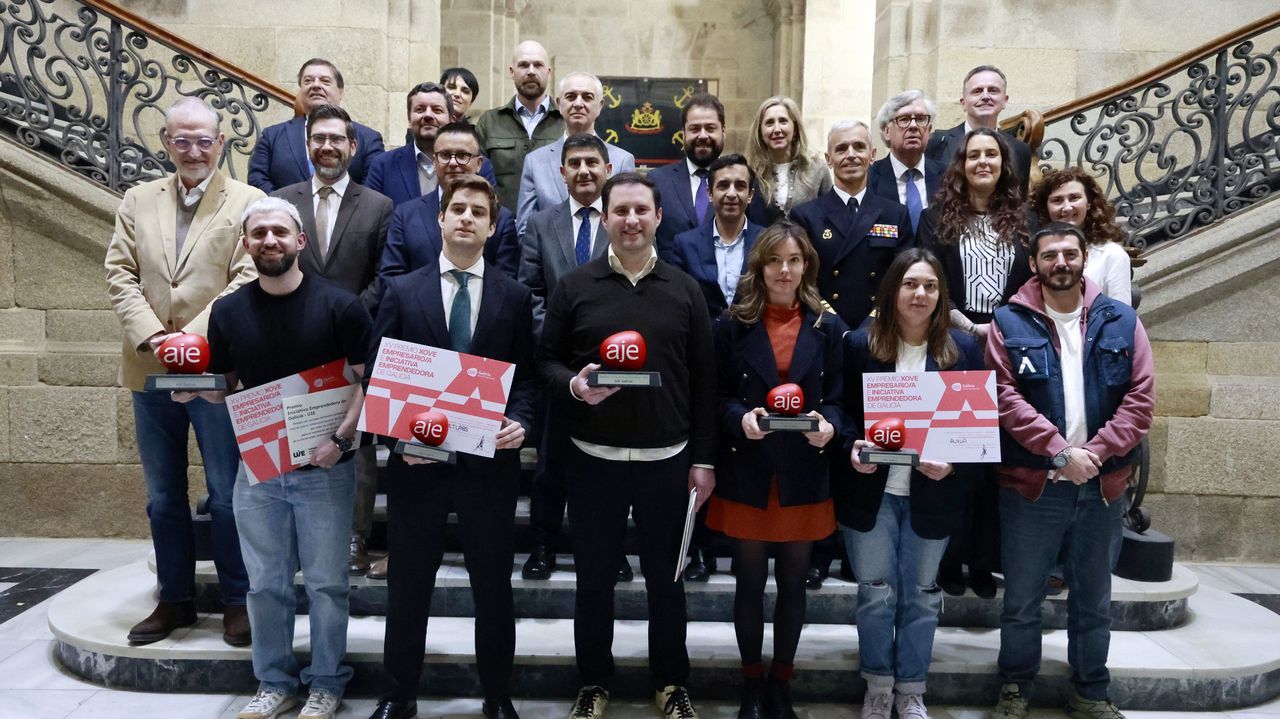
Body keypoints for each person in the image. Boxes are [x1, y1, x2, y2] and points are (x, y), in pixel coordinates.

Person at [537, 172, 716, 719]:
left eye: (642, 210)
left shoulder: (686, 289)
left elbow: (707, 381)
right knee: (593, 582)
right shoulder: (575, 285)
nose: (632, 220)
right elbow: (544, 362)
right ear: (606, 217)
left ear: (659, 216)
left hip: (669, 462)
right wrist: (574, 385)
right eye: (621, 211)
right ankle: (593, 681)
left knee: (668, 583)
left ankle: (670, 682)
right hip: (594, 462)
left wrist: (704, 460)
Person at [367, 175, 536, 719]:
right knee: (408, 584)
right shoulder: (402, 290)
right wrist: (399, 435)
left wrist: (522, 423)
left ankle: (497, 694)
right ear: (440, 220)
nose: (466, 218)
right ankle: (399, 695)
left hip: (490, 465)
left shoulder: (514, 296)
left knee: (493, 587)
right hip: (419, 464)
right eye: (457, 209)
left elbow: (528, 380)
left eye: (477, 212)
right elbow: (379, 373)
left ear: (492, 226)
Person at [200, 197, 372, 719]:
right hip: (259, 470)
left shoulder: (341, 306)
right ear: (246, 244)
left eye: (279, 231)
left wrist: (340, 443)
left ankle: (325, 683)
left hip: (326, 468)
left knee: (326, 585)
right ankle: (273, 681)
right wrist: (192, 390)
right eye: (259, 234)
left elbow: (365, 385)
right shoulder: (227, 312)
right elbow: (226, 388)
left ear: (300, 241)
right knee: (265, 585)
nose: (269, 240)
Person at [104, 97, 261, 647]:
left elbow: (245, 279)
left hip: (214, 374)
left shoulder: (249, 201)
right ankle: (174, 600)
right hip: (148, 369)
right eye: (181, 140)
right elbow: (118, 272)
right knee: (163, 496)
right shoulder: (136, 199)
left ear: (222, 143)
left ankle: (239, 601)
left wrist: (191, 339)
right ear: (166, 143)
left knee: (225, 492)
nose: (193, 150)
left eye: (204, 140)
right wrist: (156, 338)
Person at [988, 222, 1154, 719]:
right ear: (1034, 263)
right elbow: (1003, 396)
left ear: (1085, 257)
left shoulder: (1121, 320)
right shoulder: (1008, 321)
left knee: (1093, 600)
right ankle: (1015, 688)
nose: (1060, 262)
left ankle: (1091, 692)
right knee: (1021, 599)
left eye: (1068, 253)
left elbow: (1140, 401)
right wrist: (1061, 451)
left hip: (1102, 487)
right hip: (1033, 488)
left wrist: (1094, 455)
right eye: (1049, 255)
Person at [838, 249, 984, 719]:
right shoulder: (860, 345)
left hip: (932, 494)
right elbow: (840, 412)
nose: (920, 294)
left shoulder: (963, 352)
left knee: (922, 595)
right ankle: (879, 686)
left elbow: (980, 432)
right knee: (876, 593)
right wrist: (851, 446)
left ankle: (912, 690)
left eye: (930, 286)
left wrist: (955, 464)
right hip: (872, 493)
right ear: (893, 290)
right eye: (910, 284)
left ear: (942, 295)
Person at [708, 221, 845, 719]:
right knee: (747, 583)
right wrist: (737, 419)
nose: (784, 270)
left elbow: (839, 400)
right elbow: (716, 396)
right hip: (749, 470)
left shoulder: (828, 326)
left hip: (802, 472)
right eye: (774, 261)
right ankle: (750, 682)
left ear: (806, 265)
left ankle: (781, 681)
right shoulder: (731, 324)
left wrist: (829, 426)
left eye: (793, 260)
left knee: (793, 584)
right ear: (759, 266)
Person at [270, 104, 394, 578]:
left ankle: (353, 537)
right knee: (293, 436)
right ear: (307, 145)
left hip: (352, 340)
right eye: (318, 138)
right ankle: (295, 539)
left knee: (355, 441)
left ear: (352, 146)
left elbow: (385, 275)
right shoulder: (283, 201)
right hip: (291, 340)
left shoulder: (378, 205)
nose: (327, 146)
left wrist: (346, 315)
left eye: (336, 139)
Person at [791, 119, 913, 587]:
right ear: (828, 158)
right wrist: (842, 327)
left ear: (872, 155)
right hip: (825, 338)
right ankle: (822, 549)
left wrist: (869, 328)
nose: (850, 155)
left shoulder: (894, 214)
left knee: (869, 439)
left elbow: (899, 275)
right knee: (831, 442)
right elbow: (805, 280)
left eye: (859, 147)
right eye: (840, 148)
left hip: (878, 343)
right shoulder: (808, 214)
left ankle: (854, 546)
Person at [917, 127, 1031, 598]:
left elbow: (1033, 280)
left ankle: (983, 563)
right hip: (954, 344)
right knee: (955, 456)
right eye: (973, 155)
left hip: (1009, 346)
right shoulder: (935, 217)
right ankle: (948, 563)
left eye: (992, 154)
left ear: (1004, 164)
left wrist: (1002, 325)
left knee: (993, 461)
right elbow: (925, 275)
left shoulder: (1027, 219)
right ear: (960, 164)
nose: (982, 161)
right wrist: (966, 325)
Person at [517, 134, 631, 584]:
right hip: (557, 366)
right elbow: (531, 289)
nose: (584, 171)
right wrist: (561, 342)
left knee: (611, 467)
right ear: (561, 173)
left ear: (607, 170)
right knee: (550, 466)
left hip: (616, 368)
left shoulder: (622, 222)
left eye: (592, 163)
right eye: (574, 163)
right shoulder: (542, 224)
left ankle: (612, 549)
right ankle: (542, 545)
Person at [380, 122, 520, 282]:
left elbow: (506, 285)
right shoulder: (406, 215)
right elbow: (391, 280)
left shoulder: (502, 219)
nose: (453, 163)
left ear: (479, 164)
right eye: (445, 155)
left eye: (462, 155)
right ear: (434, 161)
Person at [648, 93, 767, 262]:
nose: (702, 135)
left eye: (710, 128)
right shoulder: (658, 181)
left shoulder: (745, 182)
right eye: (695, 129)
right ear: (683, 133)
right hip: (673, 285)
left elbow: (757, 238)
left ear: (723, 131)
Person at [515, 71, 636, 236]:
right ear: (559, 104)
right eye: (571, 97)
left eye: (587, 97)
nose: (578, 104)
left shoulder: (622, 160)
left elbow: (628, 224)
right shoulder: (535, 162)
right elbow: (525, 230)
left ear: (600, 106)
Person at [248, 58, 384, 192]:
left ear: (341, 91)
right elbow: (257, 180)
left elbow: (374, 187)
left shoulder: (368, 139)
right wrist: (284, 210)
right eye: (308, 81)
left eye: (325, 81)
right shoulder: (272, 136)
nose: (316, 85)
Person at [364, 82, 498, 208]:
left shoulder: (479, 166)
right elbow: (373, 216)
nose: (428, 115)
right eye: (420, 109)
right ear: (409, 119)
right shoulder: (383, 165)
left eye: (437, 110)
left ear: (452, 120)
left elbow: (489, 214)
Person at [671, 154, 765, 321]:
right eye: (723, 185)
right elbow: (678, 304)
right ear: (710, 193)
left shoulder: (767, 241)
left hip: (753, 340)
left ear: (750, 195)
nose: (731, 193)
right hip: (703, 341)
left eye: (740, 186)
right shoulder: (685, 244)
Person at [475, 40, 565, 211]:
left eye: (538, 65)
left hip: (554, 228)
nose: (531, 71)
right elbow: (476, 179)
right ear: (512, 71)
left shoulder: (566, 122)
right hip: (501, 227)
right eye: (524, 65)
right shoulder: (490, 122)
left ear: (548, 71)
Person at [924, 65, 1032, 198]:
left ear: (1005, 101)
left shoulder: (1020, 150)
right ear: (963, 103)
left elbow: (1019, 202)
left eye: (993, 90)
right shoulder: (936, 142)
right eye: (977, 91)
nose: (985, 96)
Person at [1033, 167, 1132, 306]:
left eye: (1074, 198)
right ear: (1046, 207)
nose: (1067, 207)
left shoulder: (1111, 254)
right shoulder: (1037, 252)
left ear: (1089, 203)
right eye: (1057, 200)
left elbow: (1121, 316)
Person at [867, 90, 945, 232]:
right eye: (904, 119)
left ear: (929, 130)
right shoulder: (869, 179)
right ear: (886, 131)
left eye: (921, 119)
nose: (914, 126)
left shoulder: (948, 177)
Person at [744, 96, 831, 223]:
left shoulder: (817, 168)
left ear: (795, 129)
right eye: (769, 123)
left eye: (783, 121)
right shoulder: (750, 173)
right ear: (760, 132)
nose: (777, 129)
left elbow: (830, 214)